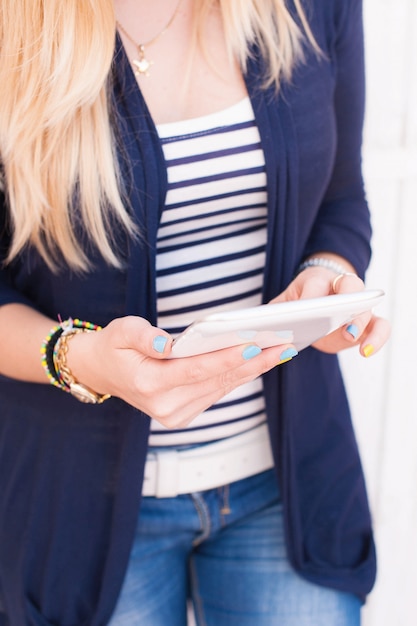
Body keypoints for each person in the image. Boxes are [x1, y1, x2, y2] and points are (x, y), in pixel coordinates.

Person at [0, 1, 391, 624]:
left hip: (285, 496)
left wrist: (329, 278)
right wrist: (83, 359)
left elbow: (342, 199)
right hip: (77, 515)